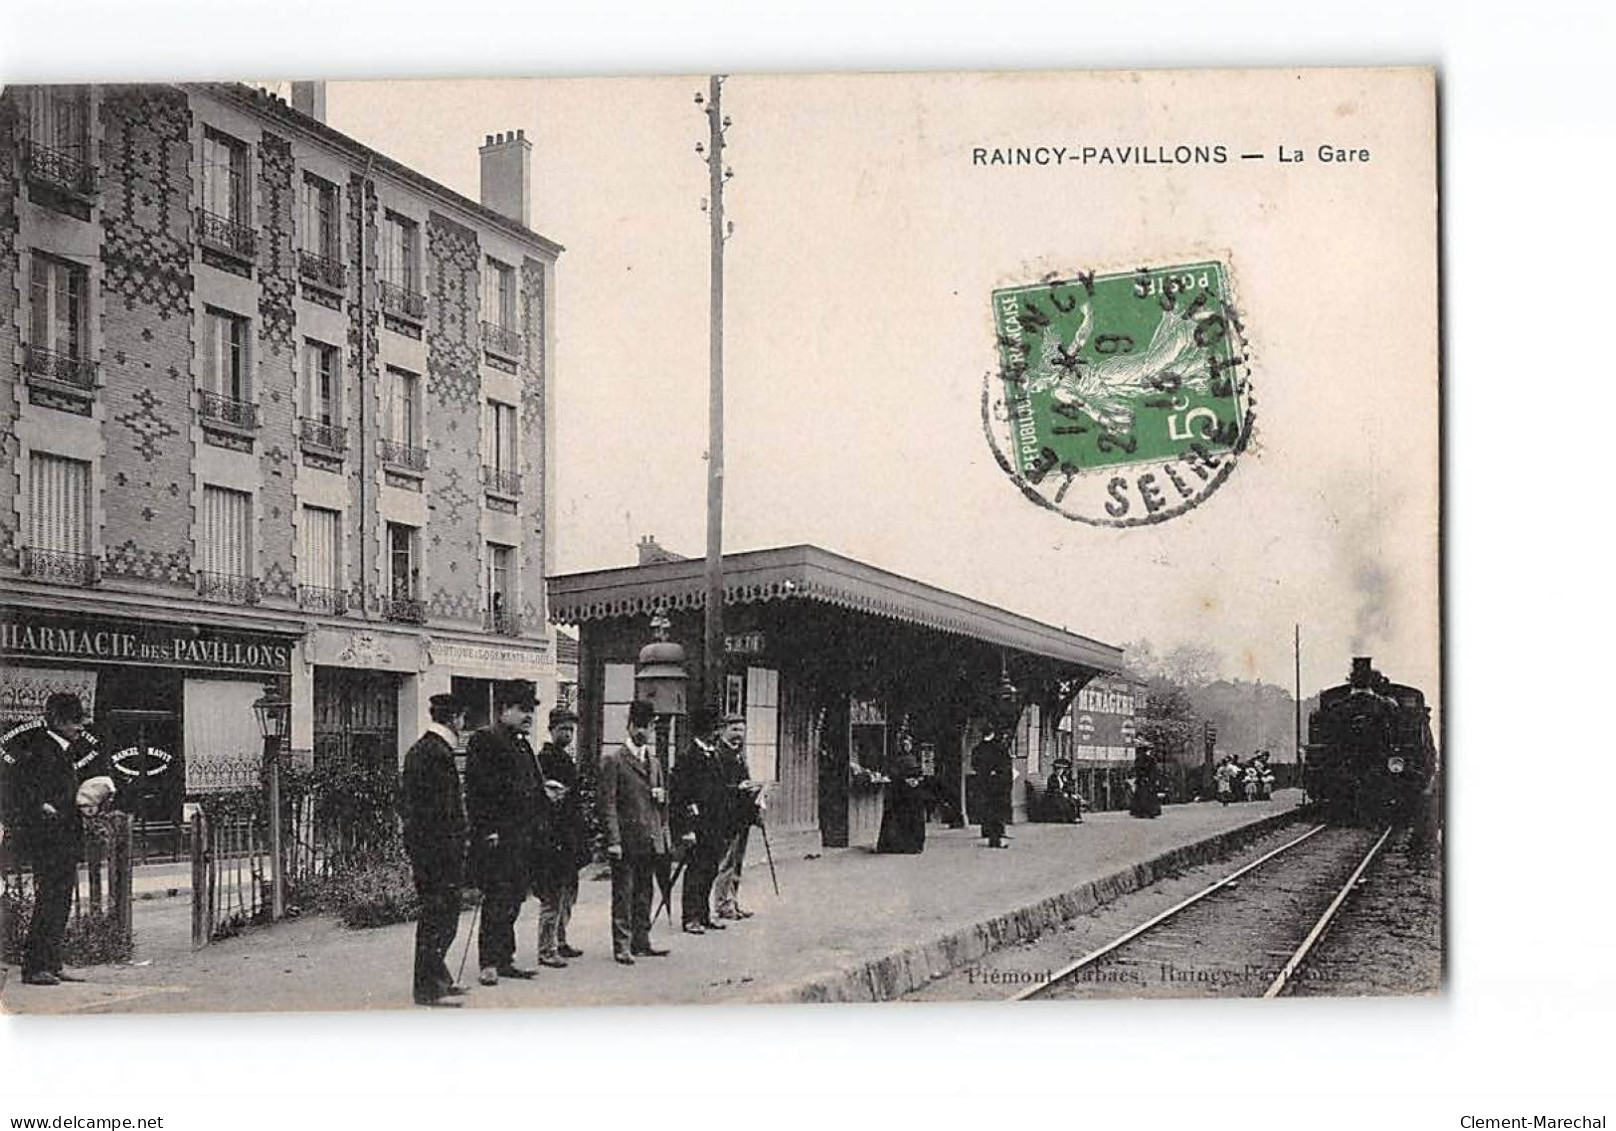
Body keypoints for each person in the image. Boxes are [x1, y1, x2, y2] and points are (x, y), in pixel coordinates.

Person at [1, 693, 115, 986]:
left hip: (64, 837)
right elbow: (22, 789)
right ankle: (35, 967)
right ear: (57, 721)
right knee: (49, 900)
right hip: (49, 839)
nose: (80, 727)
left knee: (60, 900)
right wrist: (43, 806)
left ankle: (52, 963)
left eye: (80, 721)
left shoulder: (63, 750)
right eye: (74, 721)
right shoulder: (40, 748)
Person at [464, 680, 544, 986]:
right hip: (499, 837)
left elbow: (529, 785)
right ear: (504, 709)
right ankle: (488, 963)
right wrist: (488, 830)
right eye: (523, 709)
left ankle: (505, 958)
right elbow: (477, 790)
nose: (529, 716)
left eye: (531, 711)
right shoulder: (486, 739)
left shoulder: (522, 743)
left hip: (523, 837)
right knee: (496, 899)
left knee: (514, 899)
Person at [400, 693, 469, 1007]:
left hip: (428, 850)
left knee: (440, 916)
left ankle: (439, 978)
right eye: (462, 718)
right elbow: (441, 812)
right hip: (439, 853)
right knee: (439, 918)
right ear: (455, 718)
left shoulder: (423, 749)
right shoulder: (437, 753)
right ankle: (428, 989)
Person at [597, 699, 672, 964]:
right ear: (628, 726)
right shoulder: (614, 760)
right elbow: (608, 804)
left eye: (647, 727)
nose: (642, 732)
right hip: (626, 841)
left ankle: (643, 941)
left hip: (650, 840)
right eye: (638, 726)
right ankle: (622, 945)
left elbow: (662, 806)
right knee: (623, 894)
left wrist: (662, 800)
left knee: (645, 893)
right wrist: (613, 840)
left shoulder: (655, 762)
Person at [533, 706, 588, 967]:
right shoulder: (542, 760)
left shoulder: (566, 759)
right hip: (552, 837)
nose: (567, 734)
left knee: (569, 893)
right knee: (552, 895)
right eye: (563, 729)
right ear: (551, 730)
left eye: (571, 730)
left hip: (569, 837)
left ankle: (561, 938)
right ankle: (546, 947)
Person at [668, 705, 730, 934]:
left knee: (710, 869)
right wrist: (686, 828)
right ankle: (690, 917)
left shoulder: (714, 755)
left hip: (714, 825)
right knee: (695, 870)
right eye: (716, 728)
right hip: (696, 825)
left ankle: (704, 915)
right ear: (707, 730)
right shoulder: (688, 757)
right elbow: (680, 796)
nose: (718, 734)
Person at [711, 713, 763, 920]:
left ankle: (733, 901)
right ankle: (723, 904)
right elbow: (716, 788)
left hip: (741, 815)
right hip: (726, 816)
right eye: (734, 730)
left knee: (737, 862)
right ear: (723, 730)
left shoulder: (739, 755)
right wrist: (738, 787)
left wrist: (755, 792)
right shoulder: (718, 755)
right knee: (726, 862)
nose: (738, 735)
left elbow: (745, 781)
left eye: (741, 731)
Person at [876, 731, 928, 853]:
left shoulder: (916, 757)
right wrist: (904, 780)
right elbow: (892, 773)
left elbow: (924, 772)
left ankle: (914, 846)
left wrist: (918, 780)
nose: (906, 747)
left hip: (914, 794)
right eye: (904, 744)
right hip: (900, 793)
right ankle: (897, 845)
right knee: (899, 819)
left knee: (914, 819)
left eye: (908, 744)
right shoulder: (895, 758)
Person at [971, 727, 1013, 848]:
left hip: (983, 785)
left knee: (986, 810)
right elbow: (1005, 768)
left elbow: (974, 766)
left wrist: (984, 774)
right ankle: (997, 839)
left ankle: (987, 833)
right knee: (998, 812)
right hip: (998, 786)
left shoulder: (977, 749)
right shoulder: (999, 749)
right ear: (993, 734)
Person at [1043, 757, 1085, 824]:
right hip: (1054, 796)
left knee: (1075, 800)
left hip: (1063, 795)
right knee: (1068, 801)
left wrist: (1072, 794)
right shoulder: (1052, 778)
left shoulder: (1063, 778)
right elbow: (1053, 789)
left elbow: (1067, 787)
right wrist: (1063, 793)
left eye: (1061, 770)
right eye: (1058, 770)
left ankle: (1077, 817)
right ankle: (1072, 818)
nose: (1059, 771)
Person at [1130, 741, 1162, 818]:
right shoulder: (1148, 759)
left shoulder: (1140, 758)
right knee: (1146, 796)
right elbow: (1151, 770)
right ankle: (1148, 811)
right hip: (1147, 780)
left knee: (1141, 796)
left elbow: (1138, 769)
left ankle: (1140, 811)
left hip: (1144, 779)